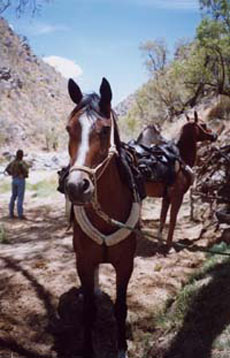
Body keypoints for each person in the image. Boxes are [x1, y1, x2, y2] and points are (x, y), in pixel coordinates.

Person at [5, 149, 29, 219]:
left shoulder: (13, 162)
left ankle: (11, 213)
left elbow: (7, 169)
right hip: (20, 180)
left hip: (14, 179)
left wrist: (12, 174)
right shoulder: (21, 162)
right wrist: (24, 175)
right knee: (20, 198)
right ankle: (20, 215)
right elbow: (26, 171)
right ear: (21, 155)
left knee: (13, 196)